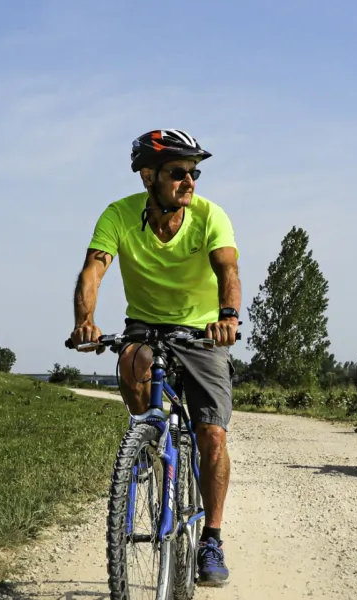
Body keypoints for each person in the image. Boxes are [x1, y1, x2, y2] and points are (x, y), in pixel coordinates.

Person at [69, 128, 240, 587]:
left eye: (194, 172)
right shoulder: (119, 215)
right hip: (146, 325)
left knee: (212, 435)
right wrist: (86, 320)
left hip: (204, 332)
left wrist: (227, 316)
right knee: (130, 360)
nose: (190, 182)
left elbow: (228, 269)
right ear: (149, 177)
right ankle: (146, 438)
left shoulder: (209, 216)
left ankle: (212, 539)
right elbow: (93, 270)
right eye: (178, 173)